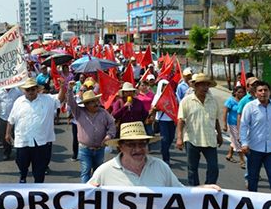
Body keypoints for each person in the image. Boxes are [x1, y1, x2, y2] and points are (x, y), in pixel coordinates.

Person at [89, 122, 219, 190]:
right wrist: (89, 194)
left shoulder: (160, 167)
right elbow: (83, 200)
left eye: (142, 144)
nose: (138, 149)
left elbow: (182, 193)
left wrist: (203, 190)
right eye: (131, 145)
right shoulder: (105, 172)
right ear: (120, 147)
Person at [6, 78, 66, 183]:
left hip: (41, 140)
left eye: (32, 89)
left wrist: (62, 87)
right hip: (23, 139)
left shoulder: (47, 99)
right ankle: (23, 177)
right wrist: (7, 133)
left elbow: (59, 99)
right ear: (24, 90)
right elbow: (11, 119)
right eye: (28, 90)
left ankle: (38, 187)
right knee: (21, 162)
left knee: (40, 167)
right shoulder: (18, 101)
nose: (30, 92)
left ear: (37, 89)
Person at [176, 73, 223, 186]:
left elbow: (216, 120)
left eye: (206, 85)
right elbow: (181, 120)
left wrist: (219, 135)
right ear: (195, 86)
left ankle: (208, 188)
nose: (204, 87)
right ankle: (195, 191)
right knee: (192, 169)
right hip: (192, 139)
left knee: (213, 168)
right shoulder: (186, 101)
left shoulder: (213, 101)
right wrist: (179, 138)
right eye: (201, 85)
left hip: (209, 139)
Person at [240, 81, 271, 194]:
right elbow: (244, 125)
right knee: (253, 177)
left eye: (265, 90)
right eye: (260, 90)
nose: (263, 93)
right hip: (254, 149)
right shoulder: (250, 107)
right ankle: (252, 202)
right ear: (255, 93)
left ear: (269, 92)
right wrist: (244, 143)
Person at [67, 83, 116, 183]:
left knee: (98, 172)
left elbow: (111, 124)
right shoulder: (79, 112)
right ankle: (85, 195)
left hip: (100, 149)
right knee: (86, 171)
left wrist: (109, 136)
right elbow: (71, 102)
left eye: (96, 101)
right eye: (92, 102)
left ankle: (96, 195)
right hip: (85, 149)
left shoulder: (103, 112)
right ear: (86, 104)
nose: (96, 103)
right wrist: (69, 89)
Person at [0, 86, 23, 161]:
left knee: (17, 135)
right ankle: (7, 152)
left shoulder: (17, 90)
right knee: (4, 136)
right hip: (3, 117)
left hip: (16, 117)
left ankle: (19, 152)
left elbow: (23, 101)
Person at [148, 80, 176, 165]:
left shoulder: (173, 95)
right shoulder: (157, 96)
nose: (166, 87)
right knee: (165, 139)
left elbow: (176, 105)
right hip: (162, 120)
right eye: (164, 86)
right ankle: (166, 159)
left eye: (167, 85)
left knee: (171, 138)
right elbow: (153, 108)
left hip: (172, 120)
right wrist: (160, 107)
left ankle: (164, 149)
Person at [222, 85, 246, 165]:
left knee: (234, 140)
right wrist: (224, 124)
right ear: (235, 92)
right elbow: (225, 112)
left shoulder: (244, 101)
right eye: (239, 92)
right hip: (232, 124)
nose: (241, 94)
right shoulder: (230, 101)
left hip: (242, 124)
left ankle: (229, 155)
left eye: (242, 92)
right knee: (238, 141)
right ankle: (242, 160)